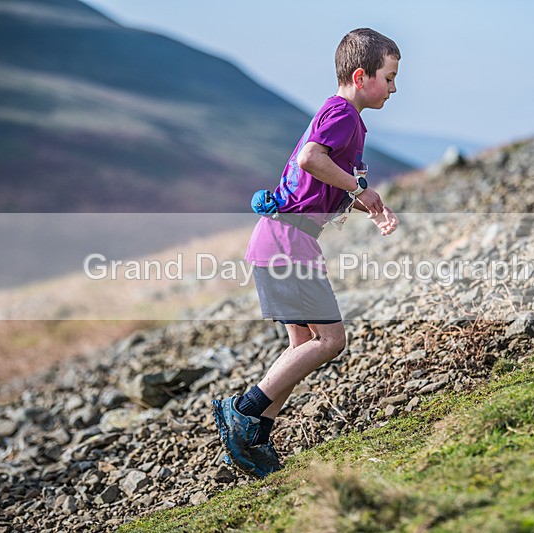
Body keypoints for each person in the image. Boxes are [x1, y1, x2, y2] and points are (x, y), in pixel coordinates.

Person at [212, 28, 401, 478]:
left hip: (279, 237)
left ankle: (253, 439)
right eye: (390, 78)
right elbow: (310, 160)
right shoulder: (342, 114)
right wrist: (358, 187)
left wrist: (365, 202)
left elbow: (316, 183)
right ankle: (243, 411)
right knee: (331, 340)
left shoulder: (343, 115)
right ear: (361, 76)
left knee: (301, 346)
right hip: (287, 242)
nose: (394, 88)